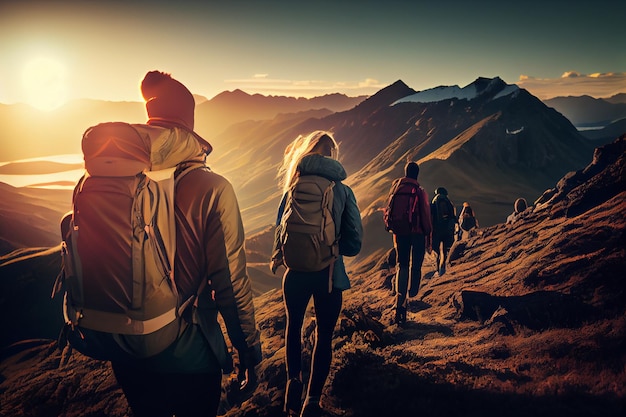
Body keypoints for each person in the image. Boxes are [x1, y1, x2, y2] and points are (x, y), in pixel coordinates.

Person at [110, 71, 262, 417]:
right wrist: (249, 352)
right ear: (188, 125)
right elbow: (231, 285)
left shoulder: (115, 178)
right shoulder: (212, 189)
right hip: (188, 355)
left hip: (126, 352)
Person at [270, 131, 362, 417]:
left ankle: (293, 382)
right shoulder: (342, 190)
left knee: (293, 328)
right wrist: (333, 247)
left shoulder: (292, 187)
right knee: (323, 336)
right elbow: (354, 241)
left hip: (295, 273)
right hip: (328, 274)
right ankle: (312, 401)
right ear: (331, 154)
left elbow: (279, 229)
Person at [386, 161, 432, 324]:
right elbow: (426, 216)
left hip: (400, 233)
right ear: (417, 174)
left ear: (405, 173)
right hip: (417, 234)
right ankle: (413, 292)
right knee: (416, 265)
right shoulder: (419, 191)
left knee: (402, 265)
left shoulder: (396, 189)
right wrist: (428, 234)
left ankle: (401, 301)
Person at [430, 187, 457, 276]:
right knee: (445, 250)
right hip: (447, 229)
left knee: (437, 251)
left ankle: (438, 268)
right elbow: (452, 216)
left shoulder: (434, 201)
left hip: (436, 229)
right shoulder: (447, 201)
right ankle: (443, 267)